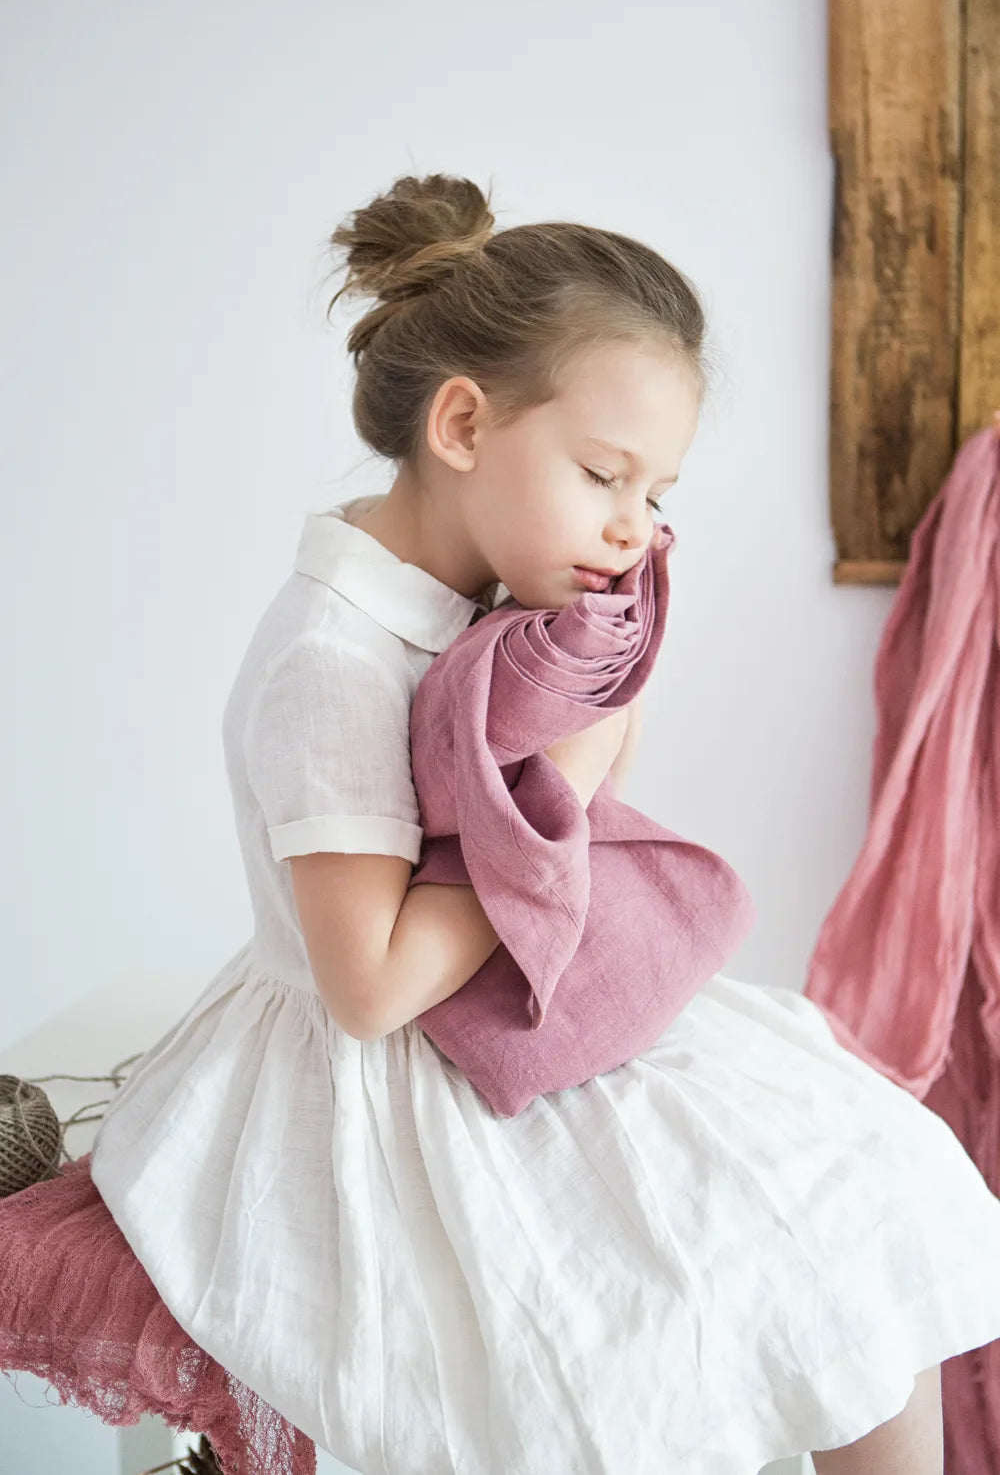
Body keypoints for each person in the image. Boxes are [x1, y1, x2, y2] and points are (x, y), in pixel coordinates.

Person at [88, 172, 1000, 1475]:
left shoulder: (489, 609)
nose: (635, 530)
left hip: (523, 998)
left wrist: (583, 728)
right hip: (399, 1071)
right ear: (462, 422)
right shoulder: (332, 665)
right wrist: (560, 791)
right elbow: (370, 985)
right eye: (602, 475)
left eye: (659, 491)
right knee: (681, 1311)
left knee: (869, 1187)